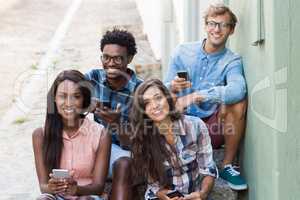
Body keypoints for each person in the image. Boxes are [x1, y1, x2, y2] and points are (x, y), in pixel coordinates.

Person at [164, 4, 247, 190]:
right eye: (212, 23)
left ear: (231, 30)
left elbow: (238, 89)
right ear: (205, 25)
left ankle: (226, 165)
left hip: (212, 127)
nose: (216, 29)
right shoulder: (182, 51)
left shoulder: (232, 60)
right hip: (179, 125)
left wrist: (197, 96)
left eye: (223, 25)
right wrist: (173, 87)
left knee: (238, 102)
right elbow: (162, 90)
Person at [130, 79, 217, 200]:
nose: (155, 105)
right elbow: (153, 185)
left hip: (194, 195)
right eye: (147, 103)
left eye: (158, 98)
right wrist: (161, 194)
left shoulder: (195, 126)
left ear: (168, 98)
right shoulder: (143, 138)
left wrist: (202, 193)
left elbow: (208, 169)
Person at [32, 70, 111, 200]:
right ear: (54, 99)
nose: (69, 103)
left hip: (87, 195)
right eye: (63, 96)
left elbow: (98, 186)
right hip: (58, 197)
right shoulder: (40, 135)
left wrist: (77, 189)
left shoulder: (101, 134)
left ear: (84, 100)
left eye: (76, 96)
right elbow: (43, 185)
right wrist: (51, 188)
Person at [85, 28, 143, 200]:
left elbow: (137, 146)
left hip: (125, 150)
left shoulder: (141, 91)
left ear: (129, 59)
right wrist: (85, 104)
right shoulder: (92, 77)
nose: (110, 63)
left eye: (117, 58)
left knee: (128, 166)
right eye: (106, 57)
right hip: (96, 146)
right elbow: (68, 100)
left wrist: (116, 124)